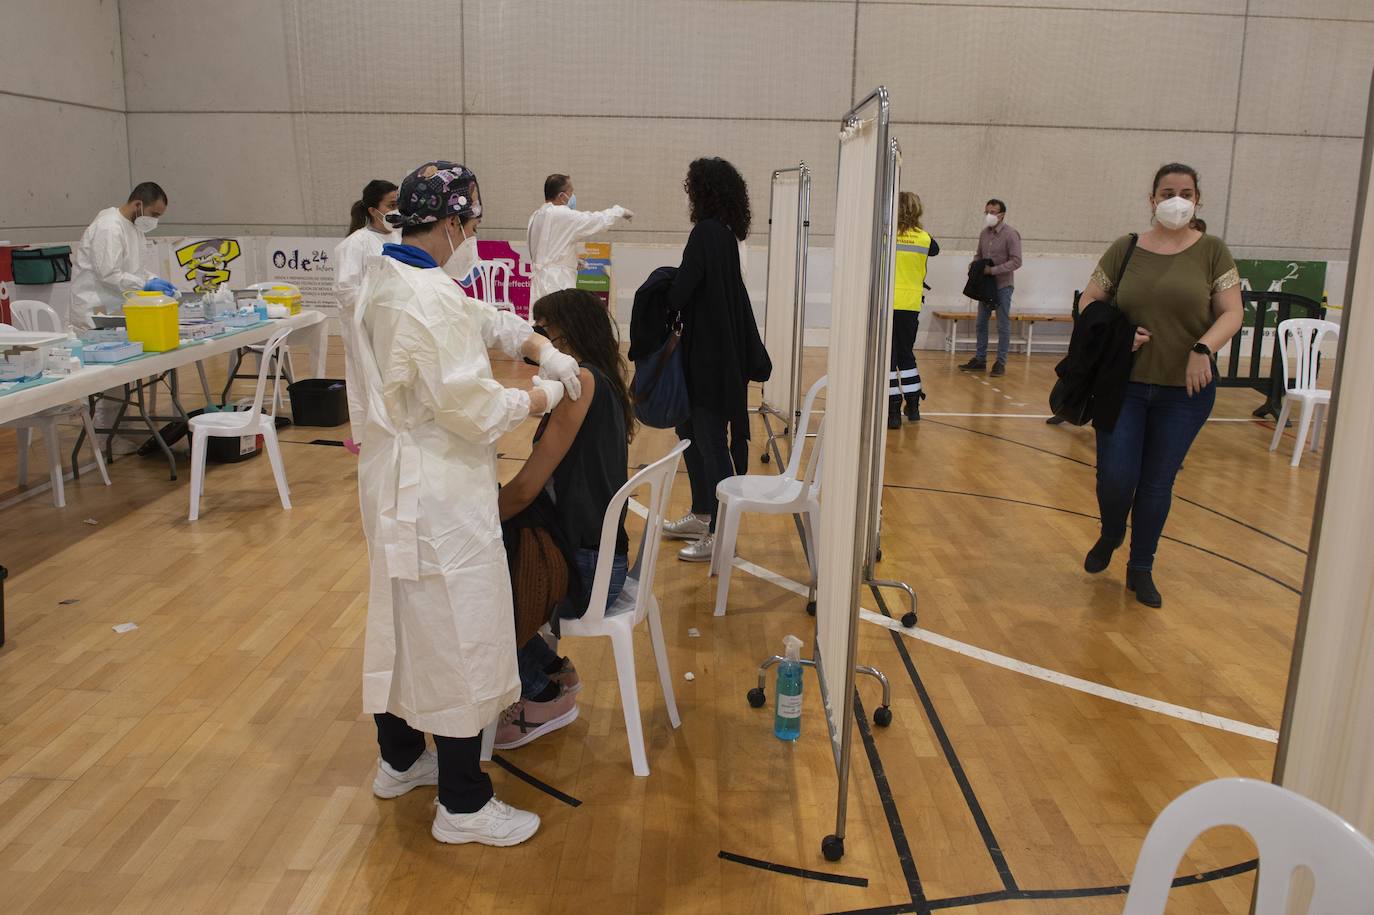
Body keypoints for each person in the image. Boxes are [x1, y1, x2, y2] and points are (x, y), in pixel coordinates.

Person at [353, 160, 584, 847]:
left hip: (398, 479)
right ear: (453, 222)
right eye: (474, 224)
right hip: (438, 487)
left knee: (403, 621)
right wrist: (545, 391)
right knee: (457, 632)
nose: (475, 237)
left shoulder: (395, 275)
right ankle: (463, 801)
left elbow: (477, 315)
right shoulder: (422, 300)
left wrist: (535, 343)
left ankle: (399, 759)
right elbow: (473, 406)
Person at [1080, 163, 1242, 608]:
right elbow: (1089, 300)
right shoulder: (1126, 248)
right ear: (1152, 199)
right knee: (1115, 477)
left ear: (1198, 200)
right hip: (1124, 385)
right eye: (1168, 192)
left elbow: (1231, 312)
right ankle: (1112, 532)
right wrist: (1118, 335)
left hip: (1185, 393)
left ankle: (1142, 566)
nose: (1177, 199)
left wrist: (1203, 349)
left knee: (1156, 484)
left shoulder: (1213, 251)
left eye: (1186, 192)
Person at [493, 288, 634, 749]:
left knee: (469, 587)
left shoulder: (582, 385)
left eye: (542, 331)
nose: (537, 343)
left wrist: (477, 516)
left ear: (566, 334)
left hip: (586, 570)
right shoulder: (605, 379)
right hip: (600, 559)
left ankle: (542, 691)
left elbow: (529, 487)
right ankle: (553, 669)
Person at [661, 157, 771, 562]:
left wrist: (661, 289)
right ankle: (703, 511)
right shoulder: (724, 234)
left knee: (708, 442)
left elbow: (682, 291)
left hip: (708, 359)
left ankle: (720, 531)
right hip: (712, 355)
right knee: (691, 435)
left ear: (704, 191)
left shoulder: (706, 234)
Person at [333, 179, 400, 452]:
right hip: (366, 328)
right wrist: (378, 299)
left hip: (395, 324)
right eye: (392, 205)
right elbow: (345, 290)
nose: (397, 211)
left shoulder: (399, 236)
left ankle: (395, 433)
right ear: (374, 210)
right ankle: (369, 438)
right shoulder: (355, 244)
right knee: (369, 383)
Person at [71, 182, 174, 331]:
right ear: (138, 205)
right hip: (94, 313)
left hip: (116, 310)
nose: (155, 220)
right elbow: (109, 274)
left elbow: (135, 269)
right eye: (154, 214)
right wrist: (143, 285)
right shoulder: (109, 227)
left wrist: (153, 280)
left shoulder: (135, 228)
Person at [526, 174, 632, 301]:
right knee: (560, 318)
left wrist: (572, 260)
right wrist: (618, 211)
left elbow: (547, 250)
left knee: (541, 319)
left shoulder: (537, 215)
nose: (572, 196)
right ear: (561, 196)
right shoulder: (562, 215)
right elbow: (595, 220)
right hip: (557, 282)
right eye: (571, 191)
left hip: (540, 281)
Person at [889, 191, 939, 428]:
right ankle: (914, 406)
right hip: (910, 306)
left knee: (888, 358)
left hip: (887, 304)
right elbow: (935, 250)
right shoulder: (925, 238)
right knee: (906, 355)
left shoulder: (886, 235)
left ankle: (892, 411)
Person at [960, 198, 1021, 377]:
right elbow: (979, 254)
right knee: (980, 323)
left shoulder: (1011, 234)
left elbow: (1017, 261)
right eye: (987, 212)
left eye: (993, 212)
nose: (989, 215)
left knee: (1002, 325)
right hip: (985, 286)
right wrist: (974, 265)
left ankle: (1000, 362)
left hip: (1002, 285)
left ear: (1002, 215)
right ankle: (980, 359)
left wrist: (993, 270)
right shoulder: (984, 233)